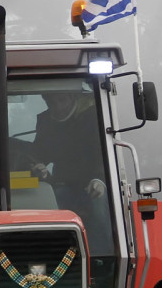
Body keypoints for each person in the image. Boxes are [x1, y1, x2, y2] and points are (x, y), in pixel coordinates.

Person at [32, 88, 112, 254]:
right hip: (64, 183)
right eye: (51, 102)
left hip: (94, 183)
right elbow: (39, 153)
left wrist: (99, 180)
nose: (58, 106)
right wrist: (39, 167)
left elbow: (103, 153)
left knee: (99, 207)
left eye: (62, 100)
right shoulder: (45, 121)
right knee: (46, 206)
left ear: (73, 97)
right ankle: (57, 254)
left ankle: (103, 256)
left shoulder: (94, 117)